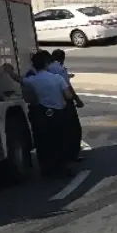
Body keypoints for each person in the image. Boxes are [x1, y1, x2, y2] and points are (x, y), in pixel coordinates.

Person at [22, 50, 78, 178]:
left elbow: (20, 81)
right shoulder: (57, 78)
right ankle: (65, 166)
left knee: (43, 142)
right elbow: (68, 95)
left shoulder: (32, 80)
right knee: (63, 140)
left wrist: (9, 72)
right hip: (59, 114)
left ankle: (46, 168)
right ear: (47, 64)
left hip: (42, 115)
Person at [50, 49, 84, 161]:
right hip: (65, 101)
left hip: (51, 103)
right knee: (74, 129)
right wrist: (77, 100)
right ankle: (73, 154)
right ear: (62, 59)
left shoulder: (47, 68)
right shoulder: (60, 69)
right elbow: (67, 87)